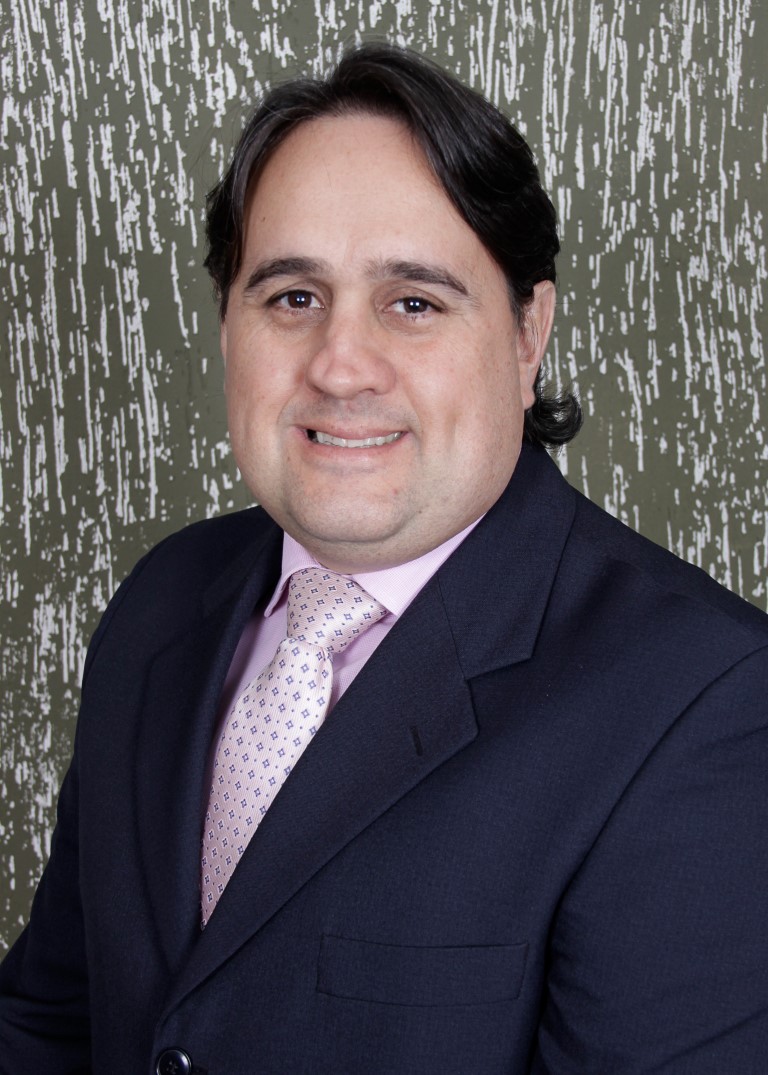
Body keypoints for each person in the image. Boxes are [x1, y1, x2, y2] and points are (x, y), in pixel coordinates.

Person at [1, 42, 767, 1075]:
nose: (341, 365)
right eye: (291, 297)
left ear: (528, 332)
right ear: (227, 326)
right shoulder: (161, 602)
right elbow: (50, 1022)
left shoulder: (707, 704)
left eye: (413, 302)